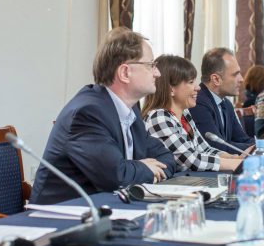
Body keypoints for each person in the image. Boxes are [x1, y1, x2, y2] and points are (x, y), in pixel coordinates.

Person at [30, 28, 177, 205]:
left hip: (109, 207)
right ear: (125, 73)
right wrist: (145, 168)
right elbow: (117, 177)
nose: (157, 73)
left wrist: (145, 170)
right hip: (62, 214)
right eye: (150, 65)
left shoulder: (131, 110)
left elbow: (166, 158)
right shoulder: (88, 113)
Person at [143, 55, 244, 172]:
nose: (198, 88)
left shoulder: (185, 114)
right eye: (191, 82)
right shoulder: (158, 117)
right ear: (171, 89)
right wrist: (238, 164)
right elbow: (192, 161)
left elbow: (205, 149)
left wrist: (233, 158)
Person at [188, 48, 254, 155]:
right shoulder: (198, 103)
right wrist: (262, 148)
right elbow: (217, 147)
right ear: (216, 79)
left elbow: (242, 139)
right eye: (235, 74)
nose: (241, 79)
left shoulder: (226, 103)